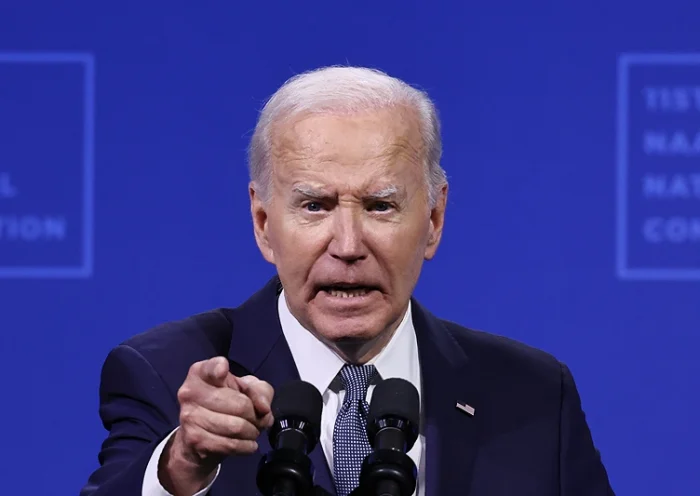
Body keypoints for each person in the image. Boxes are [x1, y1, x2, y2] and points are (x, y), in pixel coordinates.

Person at [80, 66, 614, 496]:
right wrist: (178, 470)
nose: (349, 244)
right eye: (315, 206)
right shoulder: (165, 374)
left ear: (433, 220)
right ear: (264, 225)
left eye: (381, 206)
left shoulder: (536, 395)